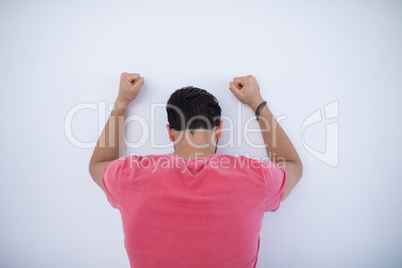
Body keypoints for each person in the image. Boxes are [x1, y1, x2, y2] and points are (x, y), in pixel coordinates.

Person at [89, 73, 303, 268]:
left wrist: (122, 103)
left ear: (170, 133)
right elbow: (291, 164)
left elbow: (99, 164)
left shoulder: (129, 176)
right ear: (218, 130)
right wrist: (257, 103)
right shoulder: (256, 177)